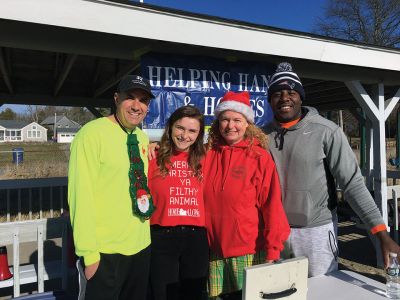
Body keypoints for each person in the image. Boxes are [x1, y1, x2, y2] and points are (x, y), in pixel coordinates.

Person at [262, 62, 400, 277]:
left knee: (322, 290)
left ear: (300, 97)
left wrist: (381, 233)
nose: (285, 98)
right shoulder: (261, 136)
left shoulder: (327, 132)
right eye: (277, 93)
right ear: (270, 99)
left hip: (315, 231)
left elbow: (353, 184)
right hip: (273, 233)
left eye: (291, 92)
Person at [68, 75, 155, 300]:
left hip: (141, 247)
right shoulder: (91, 134)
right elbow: (80, 196)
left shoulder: (143, 138)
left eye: (143, 100)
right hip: (105, 253)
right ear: (116, 99)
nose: (137, 106)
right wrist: (89, 254)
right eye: (130, 98)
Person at [203, 91, 290, 298]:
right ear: (217, 123)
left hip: (248, 251)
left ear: (247, 124)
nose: (230, 125)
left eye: (237, 120)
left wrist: (273, 251)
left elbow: (272, 208)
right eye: (225, 119)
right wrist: (157, 146)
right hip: (214, 251)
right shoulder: (206, 153)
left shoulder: (259, 157)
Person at [148, 105, 208, 300]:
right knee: (163, 294)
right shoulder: (152, 156)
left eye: (192, 131)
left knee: (194, 294)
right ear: (170, 128)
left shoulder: (206, 158)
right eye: (180, 128)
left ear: (199, 135)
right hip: (161, 237)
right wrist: (152, 144)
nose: (185, 135)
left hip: (196, 238)